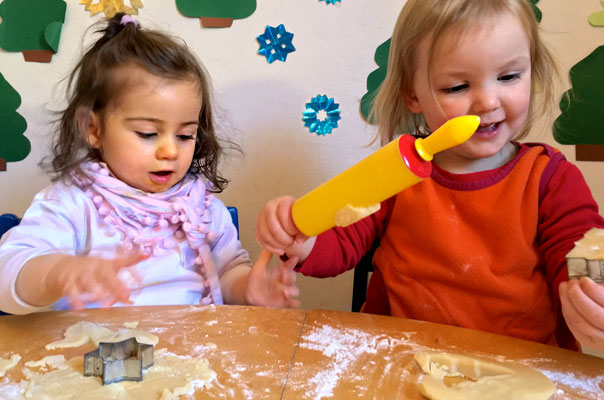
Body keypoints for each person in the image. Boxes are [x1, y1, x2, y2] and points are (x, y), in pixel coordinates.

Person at [256, 0, 604, 351]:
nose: (487, 102)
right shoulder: (396, 172)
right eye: (457, 87)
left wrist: (591, 291)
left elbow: (583, 250)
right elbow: (342, 243)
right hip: (399, 358)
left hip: (519, 365)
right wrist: (299, 236)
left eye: (509, 76)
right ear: (413, 94)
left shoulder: (551, 179)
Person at [0, 13, 299, 315]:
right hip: (93, 355)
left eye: (185, 135)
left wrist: (249, 289)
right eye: (148, 133)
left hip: (192, 357)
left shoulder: (204, 210)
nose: (170, 150)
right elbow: (7, 276)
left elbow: (226, 276)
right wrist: (60, 272)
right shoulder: (72, 204)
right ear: (94, 129)